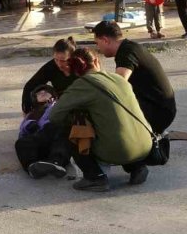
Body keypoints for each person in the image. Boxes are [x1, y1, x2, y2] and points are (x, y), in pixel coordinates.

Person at [48, 48, 153, 192]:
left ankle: (95, 177)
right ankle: (137, 166)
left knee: (72, 125)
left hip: (117, 150)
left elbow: (54, 115)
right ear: (97, 61)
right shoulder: (118, 78)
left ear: (74, 69)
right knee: (117, 120)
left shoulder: (82, 84)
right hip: (146, 145)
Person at [93, 20, 176, 135]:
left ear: (105, 40)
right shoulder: (129, 47)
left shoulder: (126, 52)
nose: (97, 48)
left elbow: (117, 85)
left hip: (159, 112)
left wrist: (95, 75)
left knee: (109, 111)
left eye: (97, 43)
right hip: (162, 107)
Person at [16, 84, 71, 179]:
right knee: (21, 142)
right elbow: (22, 131)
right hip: (38, 141)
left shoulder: (57, 106)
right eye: (39, 93)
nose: (42, 93)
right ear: (34, 98)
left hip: (54, 139)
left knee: (57, 129)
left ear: (53, 96)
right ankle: (33, 167)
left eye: (46, 92)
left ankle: (56, 162)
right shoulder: (31, 114)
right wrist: (30, 125)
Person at [20, 37, 78, 114]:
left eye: (63, 61)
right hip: (61, 103)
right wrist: (27, 111)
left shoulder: (80, 66)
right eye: (56, 59)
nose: (59, 64)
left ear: (72, 57)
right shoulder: (51, 67)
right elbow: (30, 86)